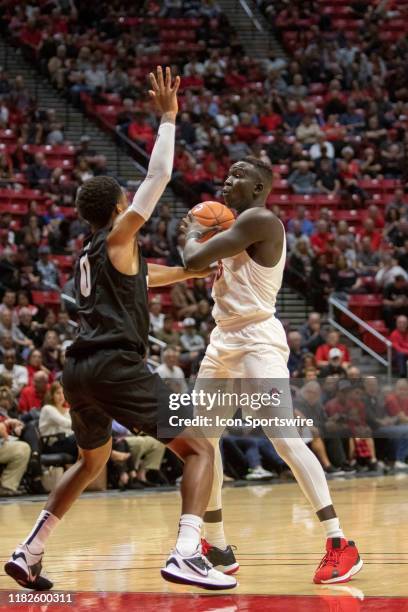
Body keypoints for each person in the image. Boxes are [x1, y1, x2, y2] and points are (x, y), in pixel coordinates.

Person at [5, 67, 236, 592]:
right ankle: (186, 552)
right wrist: (169, 119)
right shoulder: (117, 234)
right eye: (125, 206)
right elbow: (157, 180)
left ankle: (30, 549)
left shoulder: (93, 252)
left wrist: (192, 271)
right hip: (115, 366)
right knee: (200, 447)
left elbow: (145, 277)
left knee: (92, 461)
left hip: (78, 370)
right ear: (115, 209)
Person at [182, 156, 362, 583]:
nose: (227, 180)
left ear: (260, 188)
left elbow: (192, 259)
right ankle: (218, 546)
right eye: (227, 173)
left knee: (284, 439)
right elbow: (196, 266)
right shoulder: (231, 231)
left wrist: (192, 229)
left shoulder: (260, 220)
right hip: (222, 340)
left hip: (257, 341)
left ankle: (341, 545)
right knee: (202, 445)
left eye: (239, 176)